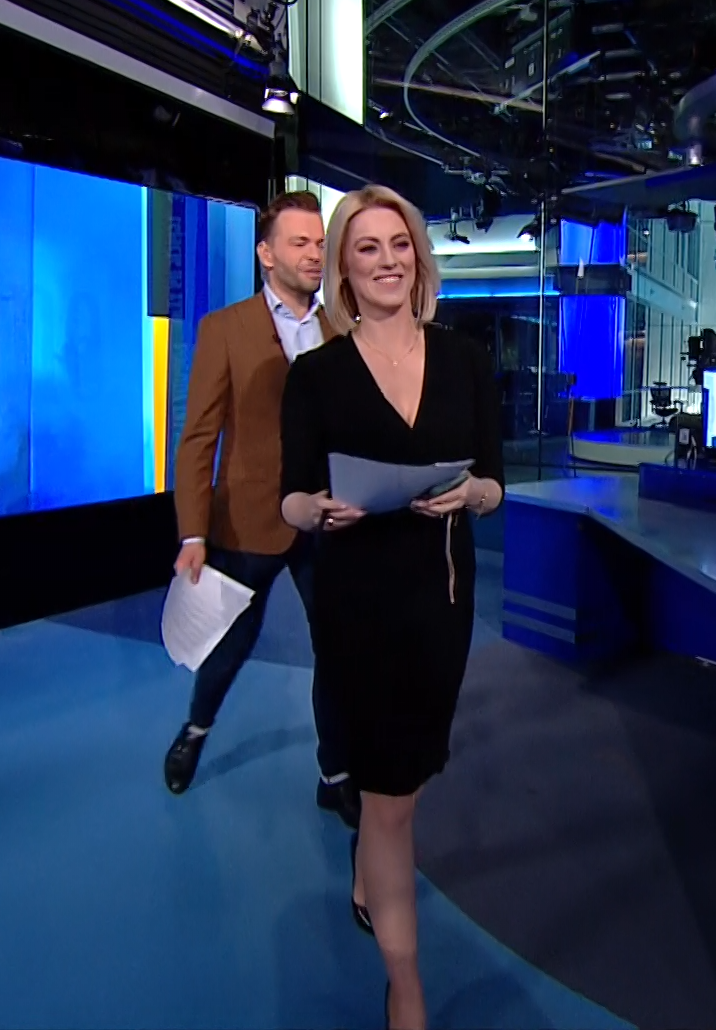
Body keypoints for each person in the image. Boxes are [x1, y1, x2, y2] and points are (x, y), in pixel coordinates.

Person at [278, 185, 504, 1029]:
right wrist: (315, 510)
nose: (387, 260)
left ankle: (368, 862)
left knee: (408, 779)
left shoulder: (466, 359)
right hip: (358, 606)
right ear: (342, 267)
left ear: (419, 256)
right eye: (367, 247)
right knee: (390, 798)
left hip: (441, 600)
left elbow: (494, 481)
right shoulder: (316, 374)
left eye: (400, 243)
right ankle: (405, 984)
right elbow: (290, 495)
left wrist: (472, 494)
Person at [165, 189, 359, 829]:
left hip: (324, 519)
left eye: (319, 243)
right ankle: (196, 729)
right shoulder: (225, 329)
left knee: (337, 648)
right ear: (265, 254)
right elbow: (199, 438)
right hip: (248, 519)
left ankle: (335, 774)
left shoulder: (340, 329)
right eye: (300, 243)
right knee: (229, 647)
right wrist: (193, 533)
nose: (314, 254)